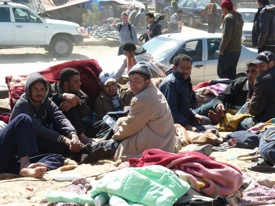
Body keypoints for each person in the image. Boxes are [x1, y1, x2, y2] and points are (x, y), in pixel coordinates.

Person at [10, 72, 84, 159]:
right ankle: (82, 151)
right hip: (22, 141)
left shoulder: (46, 101)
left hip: (42, 136)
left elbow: (60, 118)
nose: (39, 92)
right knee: (55, 144)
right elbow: (37, 129)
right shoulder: (23, 104)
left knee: (68, 137)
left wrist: (73, 134)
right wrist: (63, 139)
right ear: (29, 90)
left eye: (42, 89)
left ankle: (84, 150)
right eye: (35, 89)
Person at [112, 62, 176, 160]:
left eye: (136, 81)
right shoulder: (153, 91)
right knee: (120, 122)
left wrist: (115, 136)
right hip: (165, 141)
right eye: (131, 81)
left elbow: (131, 127)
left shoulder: (143, 98)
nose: (132, 86)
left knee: (110, 146)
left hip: (157, 146)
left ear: (147, 82)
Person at [159, 54, 212, 132]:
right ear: (174, 68)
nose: (186, 71)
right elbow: (171, 110)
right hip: (174, 123)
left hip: (186, 117)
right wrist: (187, 126)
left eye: (188, 68)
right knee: (214, 129)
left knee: (207, 121)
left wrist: (195, 114)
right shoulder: (170, 84)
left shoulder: (185, 81)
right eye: (182, 68)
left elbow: (186, 105)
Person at [51, 68, 94, 141]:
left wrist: (75, 102)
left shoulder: (78, 92)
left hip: (79, 124)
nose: (80, 83)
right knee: (68, 107)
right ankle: (83, 139)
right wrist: (63, 97)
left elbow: (86, 110)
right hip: (59, 126)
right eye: (76, 81)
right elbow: (48, 100)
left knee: (106, 123)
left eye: (79, 80)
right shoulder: (51, 89)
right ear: (66, 84)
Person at [238, 51, 275, 130]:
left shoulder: (262, 79)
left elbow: (255, 110)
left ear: (271, 63)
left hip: (267, 121)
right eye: (257, 67)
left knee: (239, 121)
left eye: (261, 66)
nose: (258, 70)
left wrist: (251, 104)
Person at [218, 0, 243, 79]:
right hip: (237, 50)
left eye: (222, 9)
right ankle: (232, 90)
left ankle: (226, 90)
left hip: (228, 50)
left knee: (222, 74)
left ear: (224, 8)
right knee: (231, 74)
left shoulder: (229, 18)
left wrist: (221, 50)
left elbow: (226, 36)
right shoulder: (238, 17)